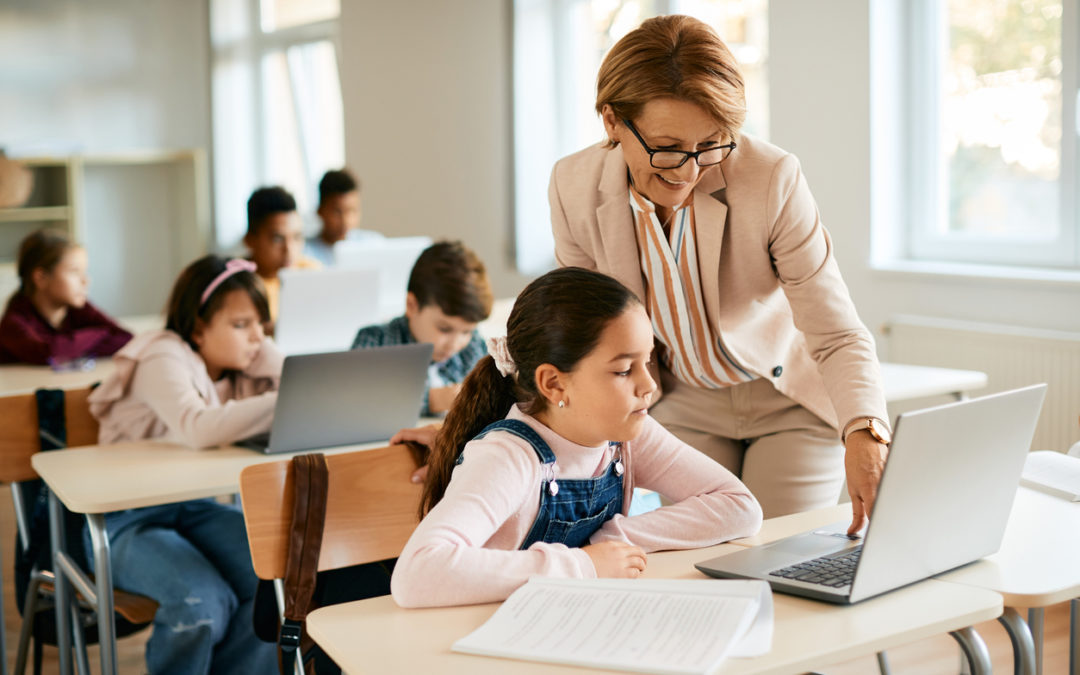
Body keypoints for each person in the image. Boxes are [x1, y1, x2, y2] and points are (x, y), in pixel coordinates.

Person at [548, 15, 890, 530]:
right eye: (666, 146)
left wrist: (866, 432)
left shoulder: (771, 177)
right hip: (682, 403)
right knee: (707, 562)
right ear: (612, 122)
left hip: (788, 400)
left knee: (784, 562)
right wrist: (483, 428)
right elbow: (574, 336)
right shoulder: (572, 187)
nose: (687, 171)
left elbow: (836, 331)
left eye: (710, 144)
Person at [390, 267, 761, 608]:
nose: (648, 385)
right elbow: (417, 574)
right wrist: (582, 564)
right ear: (553, 383)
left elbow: (740, 507)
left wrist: (616, 537)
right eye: (622, 370)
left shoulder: (628, 434)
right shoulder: (507, 457)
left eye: (647, 362)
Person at [86, 255, 280, 674]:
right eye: (242, 325)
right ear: (196, 326)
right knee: (201, 603)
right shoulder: (161, 355)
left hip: (190, 510)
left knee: (277, 581)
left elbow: (309, 392)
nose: (257, 339)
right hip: (122, 522)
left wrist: (274, 361)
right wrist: (284, 392)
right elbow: (197, 427)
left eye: (262, 326)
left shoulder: (235, 367)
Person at [351, 240, 491, 416]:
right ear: (412, 305)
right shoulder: (375, 342)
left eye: (467, 331)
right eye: (444, 329)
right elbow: (357, 401)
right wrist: (434, 399)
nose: (455, 344)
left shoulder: (473, 347)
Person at [0, 229, 131, 365]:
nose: (86, 281)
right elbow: (49, 353)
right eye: (74, 271)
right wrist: (99, 333)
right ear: (41, 278)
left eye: (85, 271)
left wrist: (71, 347)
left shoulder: (79, 308)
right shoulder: (13, 323)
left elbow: (125, 339)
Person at [244, 186, 321, 326]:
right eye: (278, 239)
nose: (289, 250)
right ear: (250, 240)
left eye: (297, 237)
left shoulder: (312, 272)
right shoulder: (237, 286)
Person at [305, 168, 383, 266]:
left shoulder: (374, 244)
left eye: (352, 211)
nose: (346, 221)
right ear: (320, 210)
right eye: (337, 212)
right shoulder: (305, 252)